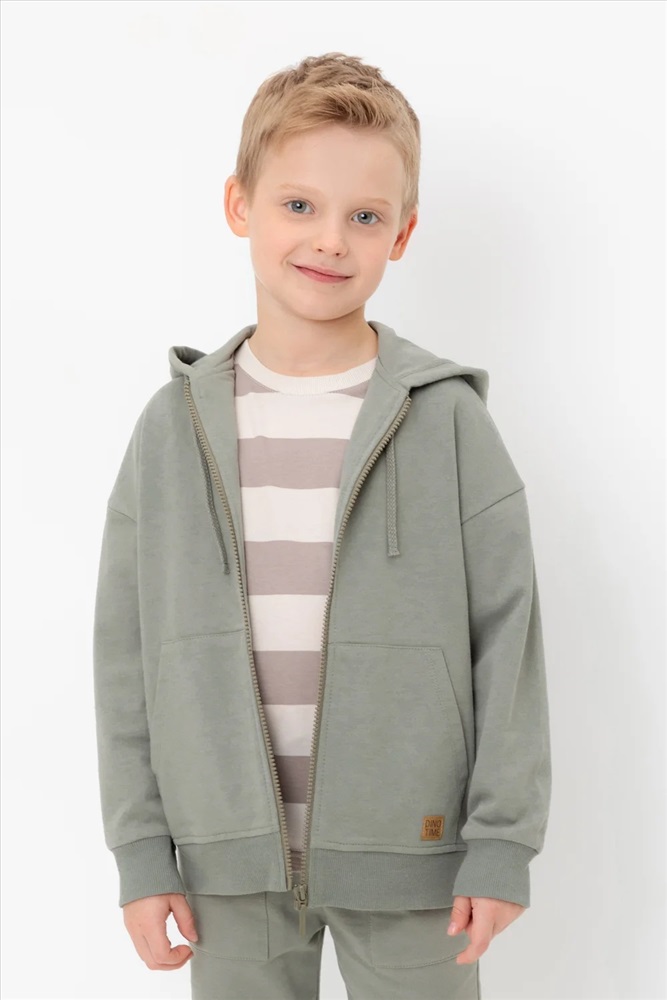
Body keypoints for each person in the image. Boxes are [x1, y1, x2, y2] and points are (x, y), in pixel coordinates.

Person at [93, 51, 552, 1000]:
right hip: (225, 870)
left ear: (403, 233)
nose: (329, 241)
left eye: (365, 217)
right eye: (298, 204)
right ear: (239, 205)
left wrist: (502, 843)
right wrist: (142, 851)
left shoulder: (448, 422)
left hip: (417, 863)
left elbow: (508, 640)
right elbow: (125, 655)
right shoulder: (171, 430)